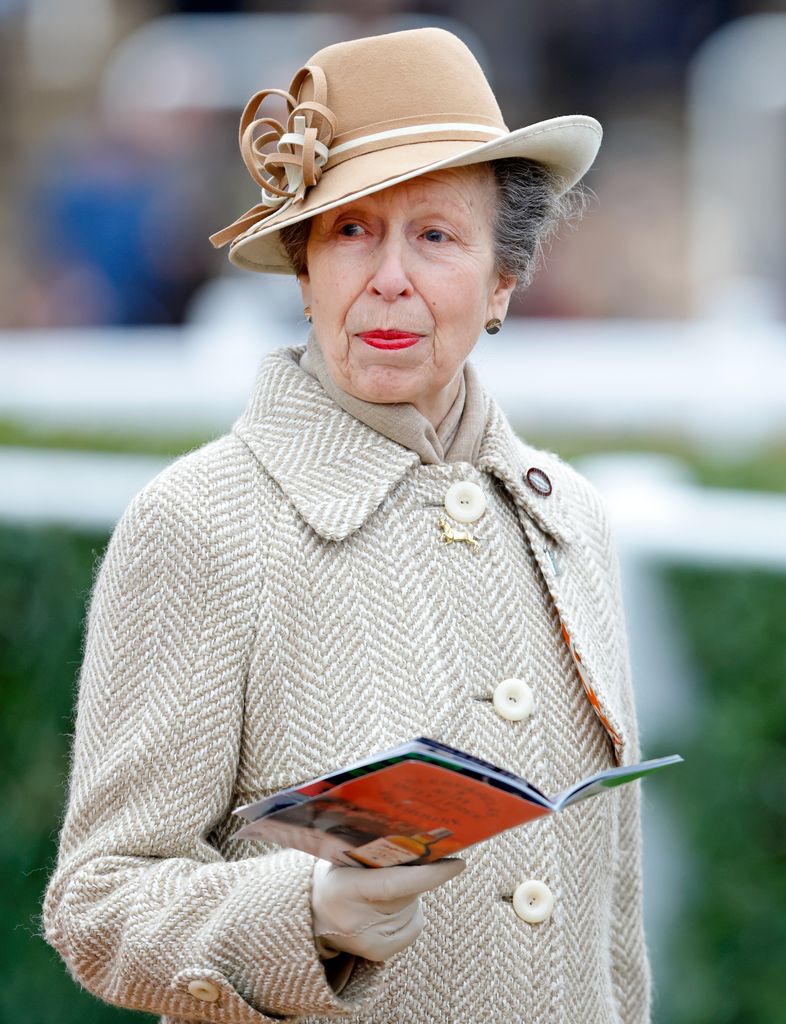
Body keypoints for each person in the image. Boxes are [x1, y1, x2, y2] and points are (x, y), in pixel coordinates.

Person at [42, 26, 651, 1024]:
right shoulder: (198, 522)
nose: (390, 278)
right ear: (304, 271)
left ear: (503, 282)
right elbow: (97, 905)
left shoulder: (571, 521)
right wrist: (307, 914)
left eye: (438, 236)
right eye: (351, 231)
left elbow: (611, 935)